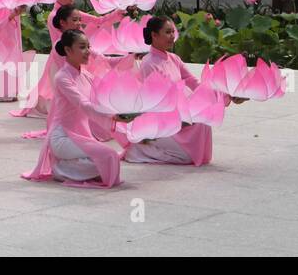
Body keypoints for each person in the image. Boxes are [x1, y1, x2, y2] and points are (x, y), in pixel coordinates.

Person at [122, 16, 243, 166]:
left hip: (180, 113)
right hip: (162, 120)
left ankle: (187, 149)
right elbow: (154, 103)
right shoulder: (148, 63)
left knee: (203, 118)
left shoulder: (174, 58)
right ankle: (140, 150)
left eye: (173, 32)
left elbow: (195, 83)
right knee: (187, 155)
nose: (172, 36)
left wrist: (227, 94)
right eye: (167, 32)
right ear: (154, 35)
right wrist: (183, 118)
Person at [22, 29, 125, 188]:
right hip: (62, 137)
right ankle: (59, 169)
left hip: (80, 135)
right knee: (109, 156)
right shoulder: (62, 78)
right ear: (68, 50)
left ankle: (67, 165)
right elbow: (82, 104)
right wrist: (111, 115)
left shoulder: (86, 75)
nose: (88, 52)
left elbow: (102, 96)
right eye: (82, 47)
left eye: (88, 47)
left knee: (108, 159)